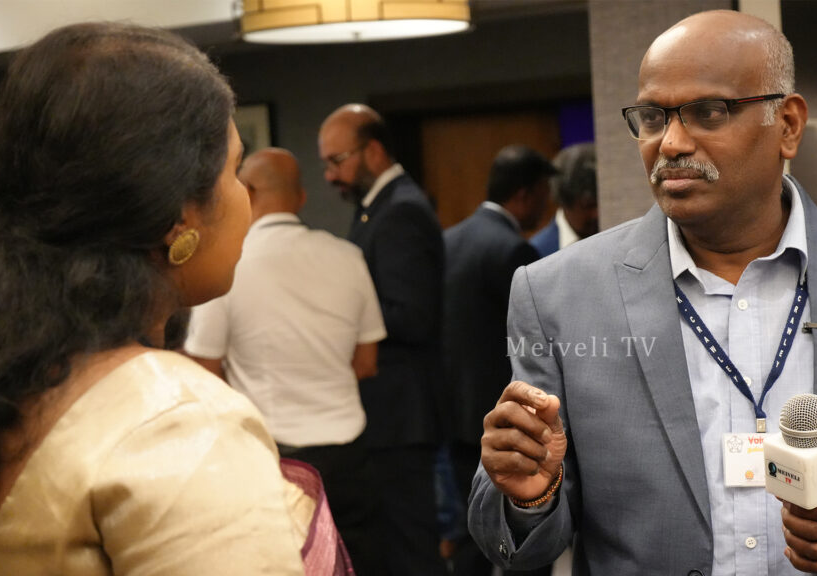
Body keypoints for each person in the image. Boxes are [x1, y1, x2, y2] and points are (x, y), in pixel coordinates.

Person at [468, 10, 817, 576]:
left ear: (788, 125)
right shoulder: (557, 294)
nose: (671, 142)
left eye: (708, 112)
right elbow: (512, 533)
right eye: (653, 117)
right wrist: (532, 496)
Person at [0, 22, 348, 575]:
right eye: (233, 172)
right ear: (178, 219)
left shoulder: (11, 371)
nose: (245, 200)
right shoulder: (175, 421)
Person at [184, 147, 386, 574]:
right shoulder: (348, 257)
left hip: (273, 458)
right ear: (301, 197)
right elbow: (367, 362)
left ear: (247, 191)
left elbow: (204, 374)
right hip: (350, 455)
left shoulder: (227, 264)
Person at [319, 104, 448, 576]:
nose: (330, 175)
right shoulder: (378, 208)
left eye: (337, 161)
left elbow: (412, 315)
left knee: (410, 549)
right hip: (390, 414)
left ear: (373, 151)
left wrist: (338, 319)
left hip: (400, 414)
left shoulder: (400, 211)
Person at [443, 145, 556, 576]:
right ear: (525, 194)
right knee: (521, 539)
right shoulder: (514, 252)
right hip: (503, 417)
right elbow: (530, 344)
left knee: (469, 533)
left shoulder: (449, 239)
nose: (547, 206)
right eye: (544, 194)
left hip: (453, 411)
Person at [529, 142, 599, 257]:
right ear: (564, 201)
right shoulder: (537, 253)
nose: (597, 213)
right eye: (589, 205)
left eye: (600, 204)